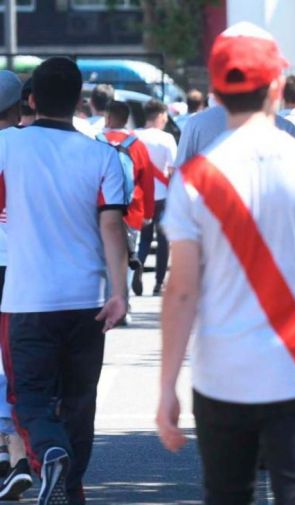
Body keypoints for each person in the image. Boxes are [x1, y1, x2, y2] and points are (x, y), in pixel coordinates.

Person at [156, 22, 295, 504]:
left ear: (216, 92)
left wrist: (167, 386)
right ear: (277, 87)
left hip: (222, 372)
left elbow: (181, 291)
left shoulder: (195, 179)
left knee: (227, 495)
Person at [0, 56, 128, 505]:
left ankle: (49, 453)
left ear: (31, 99)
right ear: (78, 101)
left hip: (27, 298)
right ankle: (71, 488)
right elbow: (112, 227)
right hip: (87, 298)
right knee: (79, 400)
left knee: (28, 397)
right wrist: (120, 293)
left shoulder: (6, 146)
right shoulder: (103, 155)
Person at [0, 70, 32, 501]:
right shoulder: (32, 146)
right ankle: (17, 451)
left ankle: (11, 452)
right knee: (16, 360)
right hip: (26, 265)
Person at [102, 101, 156, 301]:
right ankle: (125, 301)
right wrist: (148, 213)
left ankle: (107, 299)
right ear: (127, 120)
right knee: (129, 256)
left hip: (102, 210)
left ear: (108, 117)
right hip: (132, 211)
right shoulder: (137, 145)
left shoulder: (97, 141)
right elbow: (147, 182)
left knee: (104, 256)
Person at [136, 99, 178, 296]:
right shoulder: (167, 138)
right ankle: (159, 283)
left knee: (144, 239)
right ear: (161, 116)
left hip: (141, 196)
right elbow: (173, 169)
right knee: (163, 241)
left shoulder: (135, 136)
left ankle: (138, 266)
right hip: (162, 195)